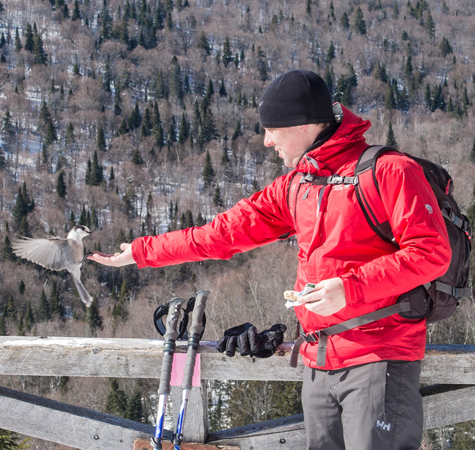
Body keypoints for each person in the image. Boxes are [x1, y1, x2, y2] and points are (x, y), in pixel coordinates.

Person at [88, 70, 450, 450]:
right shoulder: (297, 185)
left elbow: (430, 253)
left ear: (305, 124)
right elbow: (221, 235)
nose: (266, 141)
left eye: (272, 129)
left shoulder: (390, 171)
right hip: (318, 361)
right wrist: (142, 251)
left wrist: (348, 288)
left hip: (379, 358)